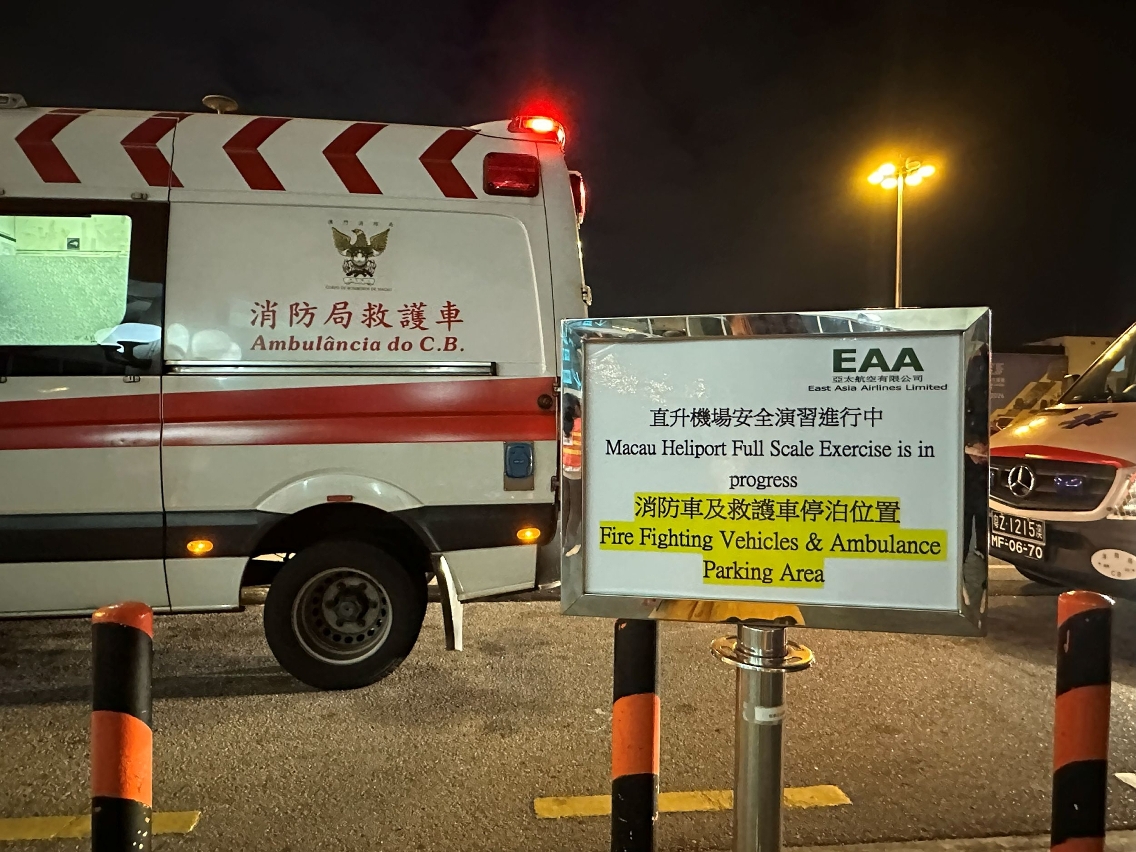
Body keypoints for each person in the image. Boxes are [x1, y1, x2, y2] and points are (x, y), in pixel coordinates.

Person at [561, 395, 583, 556]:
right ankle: (570, 543)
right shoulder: (581, 424)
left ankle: (564, 540)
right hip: (577, 471)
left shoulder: (564, 424)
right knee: (577, 509)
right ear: (575, 407)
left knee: (566, 507)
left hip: (565, 469)